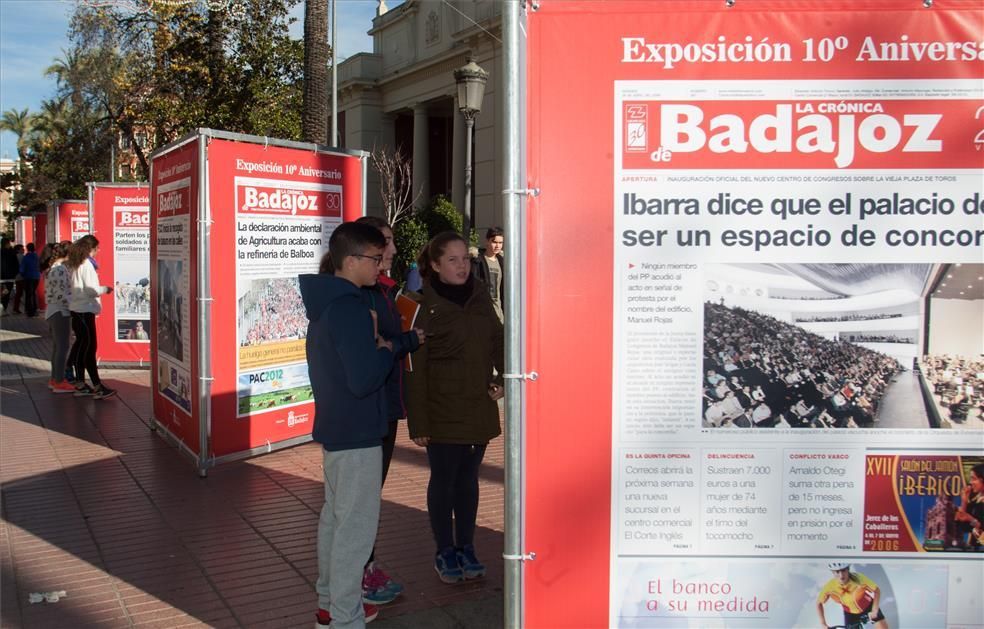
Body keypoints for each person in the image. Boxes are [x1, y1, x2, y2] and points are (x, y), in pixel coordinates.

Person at [299, 222, 396, 629]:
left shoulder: (327, 302)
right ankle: (344, 618)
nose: (379, 267)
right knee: (354, 532)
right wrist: (385, 350)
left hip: (338, 429)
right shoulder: (352, 309)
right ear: (352, 260)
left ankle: (330, 606)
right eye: (374, 259)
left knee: (335, 522)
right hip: (357, 433)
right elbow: (363, 379)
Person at [407, 231, 504, 584]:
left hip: (478, 404)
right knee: (445, 481)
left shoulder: (480, 295)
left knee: (468, 482)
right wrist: (419, 421)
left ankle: (466, 546)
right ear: (434, 265)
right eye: (453, 260)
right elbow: (413, 369)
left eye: (466, 259)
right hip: (441, 409)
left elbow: (497, 340)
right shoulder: (419, 303)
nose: (463, 266)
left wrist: (505, 378)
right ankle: (444, 550)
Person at [354, 215, 425, 605]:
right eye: (386, 242)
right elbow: (375, 350)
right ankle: (358, 575)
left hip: (386, 407)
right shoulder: (358, 295)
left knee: (370, 494)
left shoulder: (383, 290)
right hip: (369, 411)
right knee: (361, 498)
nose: (394, 250)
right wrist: (406, 340)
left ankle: (366, 565)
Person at [66, 235, 116, 400]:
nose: (98, 251)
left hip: (79, 309)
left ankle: (81, 383)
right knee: (88, 348)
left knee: (83, 347)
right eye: (96, 248)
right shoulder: (86, 265)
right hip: (83, 310)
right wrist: (105, 289)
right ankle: (96, 385)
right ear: (90, 249)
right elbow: (91, 290)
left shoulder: (76, 263)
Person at [42, 242, 76, 393]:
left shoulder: (53, 268)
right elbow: (62, 295)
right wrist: (74, 306)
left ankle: (55, 379)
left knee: (57, 347)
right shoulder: (61, 269)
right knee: (62, 347)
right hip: (60, 311)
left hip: (53, 311)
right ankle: (59, 381)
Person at [816, 562, 889, 629]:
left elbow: (877, 591)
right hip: (850, 614)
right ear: (832, 572)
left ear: (848, 569)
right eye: (837, 572)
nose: (841, 575)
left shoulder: (859, 578)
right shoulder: (830, 586)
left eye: (843, 570)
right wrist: (823, 624)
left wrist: (875, 610)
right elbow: (818, 603)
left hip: (869, 607)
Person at [470, 227, 505, 322]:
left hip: (499, 314)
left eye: (500, 243)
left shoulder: (503, 262)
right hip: (482, 315)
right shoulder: (477, 261)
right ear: (487, 241)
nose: (498, 246)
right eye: (494, 242)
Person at [955, 463, 984, 549]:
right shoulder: (975, 501)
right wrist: (964, 501)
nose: (971, 483)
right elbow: (964, 526)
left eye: (973, 479)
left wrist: (971, 519)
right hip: (974, 548)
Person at [19, 242, 42, 317]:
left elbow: (22, 268)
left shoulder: (26, 257)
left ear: (27, 248)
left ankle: (30, 311)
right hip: (37, 277)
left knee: (29, 294)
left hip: (28, 277)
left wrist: (22, 274)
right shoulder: (37, 256)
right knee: (33, 293)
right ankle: (35, 309)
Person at [0, 237, 18, 315]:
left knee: (2, 293)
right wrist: (15, 274)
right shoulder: (12, 253)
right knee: (6, 293)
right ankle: (3, 309)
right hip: (9, 277)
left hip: (2, 277)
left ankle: (2, 309)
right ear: (7, 243)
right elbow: (16, 265)